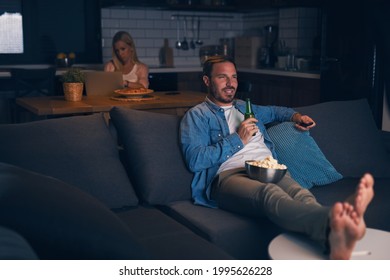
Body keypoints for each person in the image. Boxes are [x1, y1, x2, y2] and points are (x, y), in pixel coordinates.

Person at [179, 55, 374, 260]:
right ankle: (334, 223)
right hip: (229, 176)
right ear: (207, 81)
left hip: (268, 167)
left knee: (301, 194)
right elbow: (195, 160)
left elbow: (276, 112)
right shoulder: (197, 116)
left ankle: (334, 238)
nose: (230, 84)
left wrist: (297, 117)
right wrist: (238, 139)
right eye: (222, 77)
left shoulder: (245, 107)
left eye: (234, 77)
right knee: (269, 193)